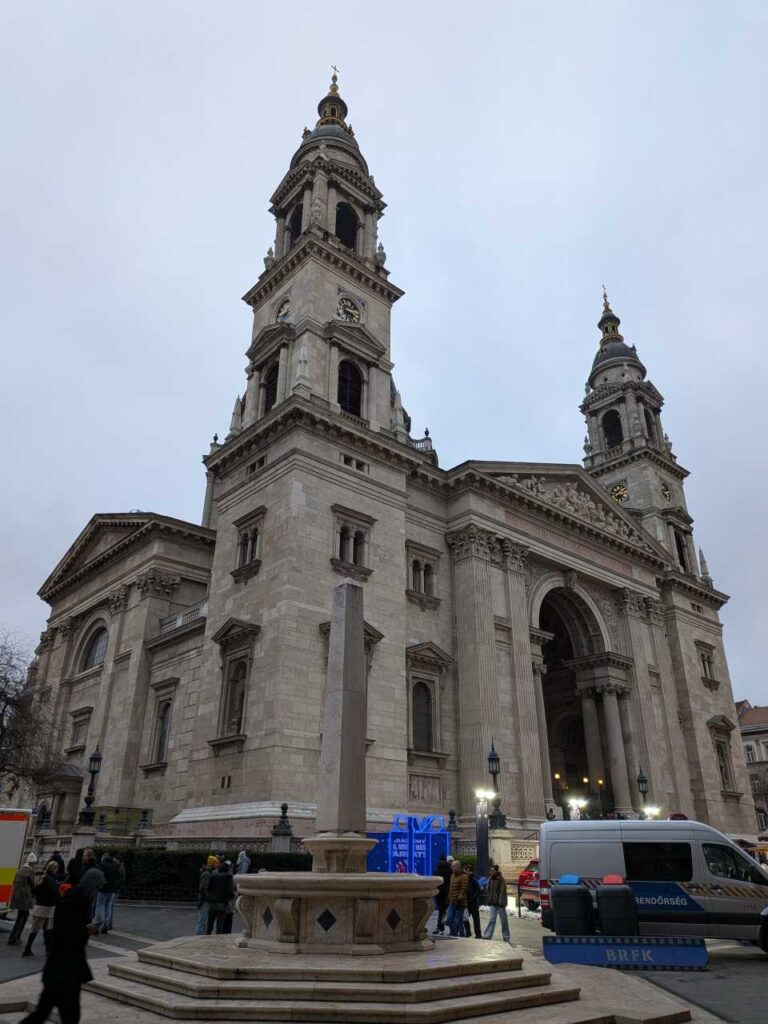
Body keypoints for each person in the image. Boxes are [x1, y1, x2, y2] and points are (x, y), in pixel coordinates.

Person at [19, 870, 103, 1024]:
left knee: (47, 1013)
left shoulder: (80, 901)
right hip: (63, 970)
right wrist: (86, 930)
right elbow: (63, 935)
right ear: (90, 886)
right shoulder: (71, 902)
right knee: (62, 1015)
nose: (96, 893)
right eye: (96, 889)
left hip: (65, 970)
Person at [23, 861, 60, 957]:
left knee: (40, 929)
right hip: (47, 908)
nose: (57, 870)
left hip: (42, 906)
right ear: (53, 869)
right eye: (56, 868)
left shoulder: (45, 878)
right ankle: (29, 949)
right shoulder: (49, 879)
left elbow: (35, 891)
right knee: (45, 929)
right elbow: (53, 893)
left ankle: (44, 949)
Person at [8, 854, 37, 946]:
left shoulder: (19, 870)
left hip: (16, 896)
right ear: (32, 863)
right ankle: (14, 938)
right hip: (24, 898)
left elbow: (13, 881)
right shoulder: (30, 871)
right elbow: (33, 885)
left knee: (21, 917)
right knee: (22, 918)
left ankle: (16, 937)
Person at [94, 852, 121, 933]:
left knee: (99, 906)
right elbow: (118, 877)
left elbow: (98, 876)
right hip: (112, 889)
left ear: (103, 858)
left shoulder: (102, 865)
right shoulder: (116, 865)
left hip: (103, 888)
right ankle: (106, 925)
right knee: (108, 906)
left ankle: (97, 925)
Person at [483, 864, 510, 942]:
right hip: (493, 903)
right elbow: (488, 890)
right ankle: (487, 936)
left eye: (493, 870)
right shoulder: (490, 879)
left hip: (500, 903)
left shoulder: (501, 879)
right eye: (490, 870)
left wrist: (501, 902)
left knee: (504, 921)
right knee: (491, 920)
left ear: (496, 871)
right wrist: (489, 900)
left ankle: (506, 937)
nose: (491, 872)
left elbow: (503, 892)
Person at [206, 860, 234, 935]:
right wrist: (228, 899)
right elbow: (230, 891)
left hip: (212, 903)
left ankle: (205, 939)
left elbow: (208, 888)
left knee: (209, 925)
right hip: (222, 903)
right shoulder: (228, 877)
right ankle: (217, 942)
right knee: (220, 926)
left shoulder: (213, 875)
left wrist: (210, 898)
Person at [445, 859, 468, 936]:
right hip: (452, 901)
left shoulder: (463, 876)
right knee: (449, 919)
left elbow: (463, 889)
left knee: (459, 921)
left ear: (458, 867)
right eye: (452, 866)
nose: (452, 868)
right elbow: (451, 888)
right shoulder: (452, 875)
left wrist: (460, 897)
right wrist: (449, 897)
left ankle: (462, 935)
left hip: (459, 902)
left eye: (454, 866)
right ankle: (454, 933)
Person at [196, 856, 218, 936]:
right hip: (205, 900)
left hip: (206, 900)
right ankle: (199, 938)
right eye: (216, 862)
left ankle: (201, 936)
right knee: (202, 921)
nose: (217, 864)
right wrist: (209, 897)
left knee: (205, 921)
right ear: (212, 863)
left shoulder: (209, 872)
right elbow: (203, 888)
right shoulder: (207, 873)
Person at [432, 853, 452, 934]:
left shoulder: (436, 870)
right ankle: (453, 929)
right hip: (448, 893)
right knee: (450, 910)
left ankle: (440, 927)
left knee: (441, 910)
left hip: (438, 893)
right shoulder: (450, 870)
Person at [463, 864, 483, 938]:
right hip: (466, 902)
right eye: (465, 871)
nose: (466, 873)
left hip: (473, 903)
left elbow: (478, 890)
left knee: (476, 920)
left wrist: (474, 897)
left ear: (471, 872)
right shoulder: (464, 880)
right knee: (465, 918)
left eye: (467, 871)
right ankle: (468, 932)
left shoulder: (474, 880)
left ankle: (478, 934)